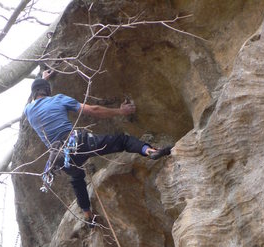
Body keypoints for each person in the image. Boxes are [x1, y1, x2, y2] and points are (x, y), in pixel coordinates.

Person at [24, 70, 173, 224]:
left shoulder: (28, 111)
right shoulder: (58, 100)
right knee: (122, 140)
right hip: (78, 143)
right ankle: (150, 151)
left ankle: (88, 214)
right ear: (47, 91)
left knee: (77, 179)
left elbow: (33, 97)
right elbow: (93, 110)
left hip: (60, 158)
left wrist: (41, 80)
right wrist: (120, 111)